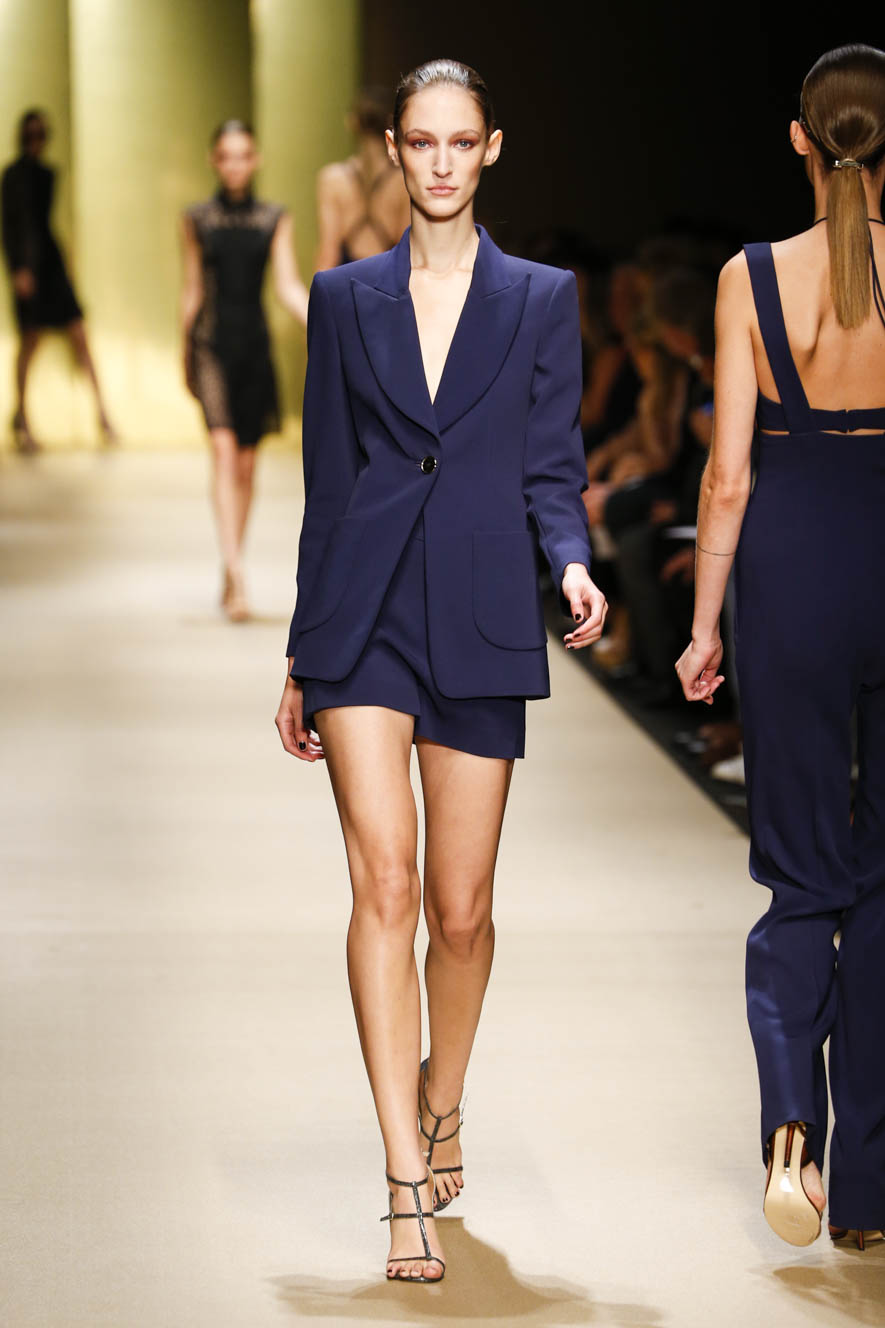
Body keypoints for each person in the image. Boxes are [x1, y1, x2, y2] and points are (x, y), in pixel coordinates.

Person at [275, 59, 606, 1283]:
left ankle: (444, 1094)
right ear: (396, 151)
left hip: (480, 608)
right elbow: (328, 482)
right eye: (422, 141)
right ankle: (403, 1179)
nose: (442, 162)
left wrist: (572, 560)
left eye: (462, 141)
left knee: (462, 909)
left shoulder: (540, 298)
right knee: (388, 884)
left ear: (492, 148)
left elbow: (551, 462)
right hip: (363, 615)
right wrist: (304, 650)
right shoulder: (344, 297)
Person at [676, 44, 885, 1251]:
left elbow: (728, 474)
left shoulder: (749, 278)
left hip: (793, 573)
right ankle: (870, 1184)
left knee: (802, 874)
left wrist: (705, 623)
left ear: (801, 139)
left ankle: (791, 1134)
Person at [180, 120, 309, 621]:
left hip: (254, 348)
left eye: (243, 155)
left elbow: (287, 284)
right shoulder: (196, 218)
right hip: (210, 345)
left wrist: (326, 317)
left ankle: (234, 554)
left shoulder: (273, 218)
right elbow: (193, 287)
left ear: (256, 160)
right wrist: (183, 349)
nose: (235, 165)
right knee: (223, 452)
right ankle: (234, 571)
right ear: (214, 161)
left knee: (248, 465)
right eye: (226, 156)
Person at [1, 109, 116, 451]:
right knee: (30, 339)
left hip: (50, 263)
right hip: (29, 266)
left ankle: (103, 415)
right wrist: (20, 267)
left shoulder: (48, 174)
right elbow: (12, 226)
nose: (36, 141)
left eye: (41, 134)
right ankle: (23, 418)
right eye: (31, 134)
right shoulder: (12, 176)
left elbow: (43, 223)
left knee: (78, 333)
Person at [313, 87, 410, 270]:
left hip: (347, 276)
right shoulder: (404, 181)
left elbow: (329, 253)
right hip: (387, 277)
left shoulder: (332, 179)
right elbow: (406, 251)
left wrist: (317, 287)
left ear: (352, 122)